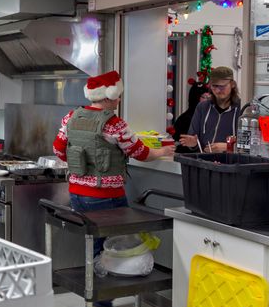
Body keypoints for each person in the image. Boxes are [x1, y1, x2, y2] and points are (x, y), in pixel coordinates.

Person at [53, 70, 175, 214]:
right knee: (117, 236)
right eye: (117, 96)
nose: (119, 100)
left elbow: (58, 150)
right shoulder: (114, 124)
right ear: (107, 97)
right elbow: (140, 153)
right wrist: (163, 151)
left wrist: (82, 161)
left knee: (92, 236)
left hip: (76, 194)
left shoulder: (71, 118)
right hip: (105, 196)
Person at [180, 66, 241, 153]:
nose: (218, 90)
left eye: (222, 86)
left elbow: (250, 145)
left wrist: (228, 146)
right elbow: (194, 139)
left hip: (231, 165)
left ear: (232, 84)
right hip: (205, 163)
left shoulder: (242, 110)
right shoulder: (202, 107)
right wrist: (193, 143)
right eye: (214, 86)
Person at [172, 80, 211, 153]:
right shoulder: (184, 119)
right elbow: (180, 145)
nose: (208, 100)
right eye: (205, 97)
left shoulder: (212, 116)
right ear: (195, 98)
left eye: (209, 97)